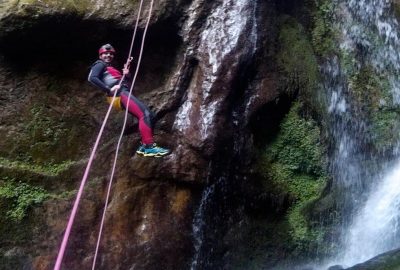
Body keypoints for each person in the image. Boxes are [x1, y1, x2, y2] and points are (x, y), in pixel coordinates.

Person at [88, 44, 170, 157]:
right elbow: (92, 78)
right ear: (101, 55)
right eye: (105, 53)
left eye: (111, 54)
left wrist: (126, 75)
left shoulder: (109, 68)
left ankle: (144, 145)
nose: (108, 55)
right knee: (145, 115)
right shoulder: (99, 64)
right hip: (119, 94)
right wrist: (108, 89)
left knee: (151, 115)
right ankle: (148, 147)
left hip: (122, 92)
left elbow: (124, 82)